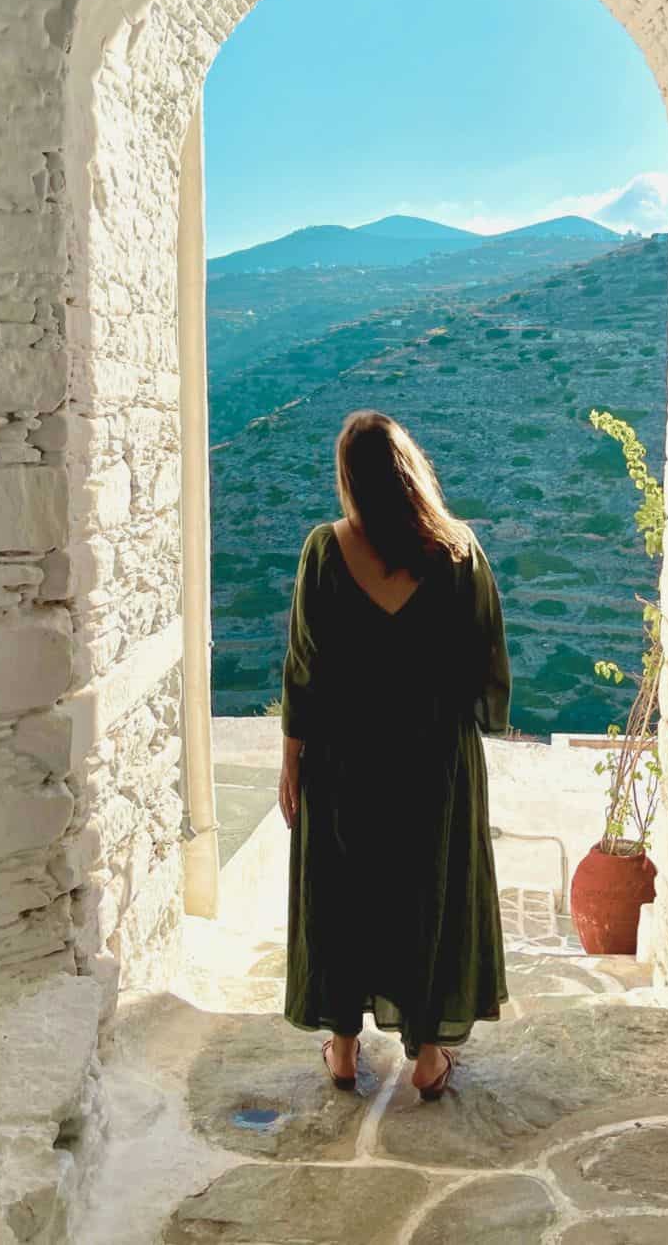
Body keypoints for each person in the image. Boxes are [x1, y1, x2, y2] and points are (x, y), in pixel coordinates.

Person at [278, 409, 512, 1101]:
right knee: (428, 893)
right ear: (411, 471)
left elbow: (303, 669)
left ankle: (345, 1049)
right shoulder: (460, 551)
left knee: (343, 894)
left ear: (349, 480)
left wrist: (291, 761)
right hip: (433, 759)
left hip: (343, 756)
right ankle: (430, 1055)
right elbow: (484, 661)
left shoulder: (324, 551)